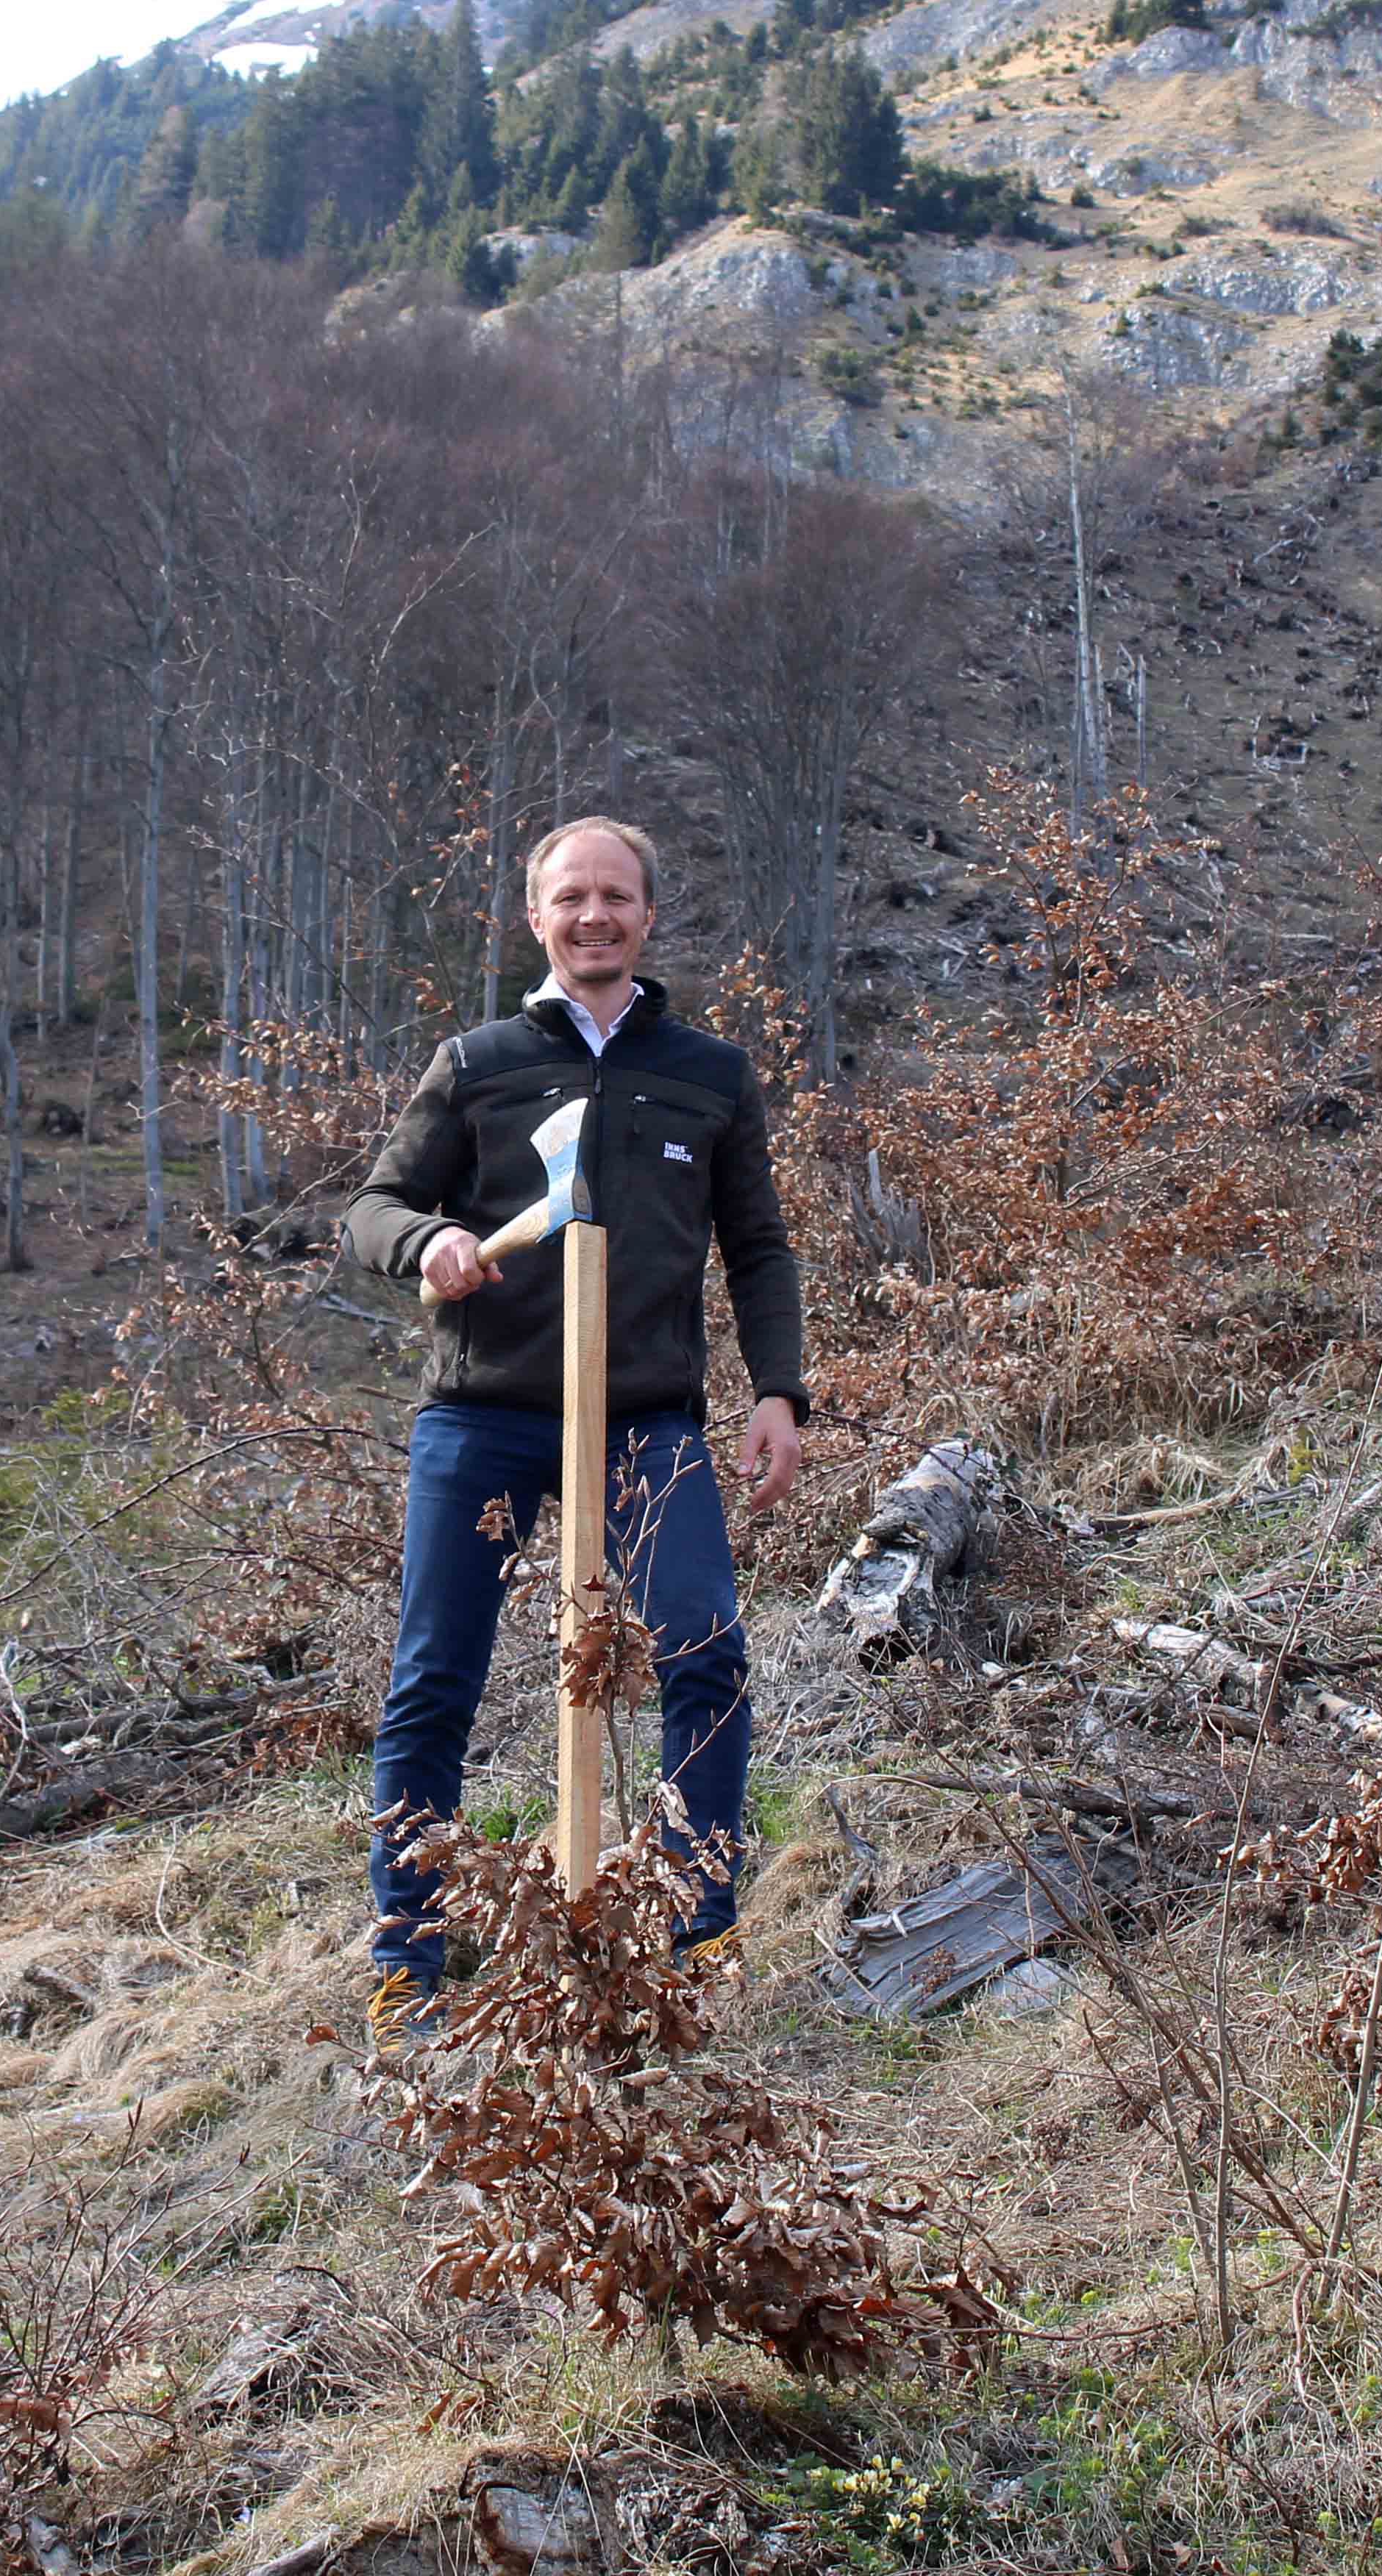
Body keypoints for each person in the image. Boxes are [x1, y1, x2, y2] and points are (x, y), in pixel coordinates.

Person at [342, 817, 809, 2025]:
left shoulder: (709, 1075)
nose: (593, 916)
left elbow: (756, 1247)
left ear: (648, 916)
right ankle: (408, 1955)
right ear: (535, 917)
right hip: (483, 1416)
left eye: (616, 897)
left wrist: (775, 1391)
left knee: (704, 1652)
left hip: (645, 1421)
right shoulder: (478, 1061)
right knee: (433, 1676)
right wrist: (430, 1239)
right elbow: (373, 1207)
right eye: (571, 898)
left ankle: (700, 1932)